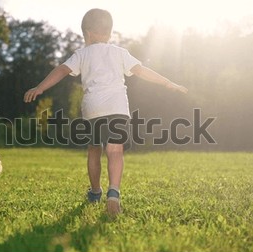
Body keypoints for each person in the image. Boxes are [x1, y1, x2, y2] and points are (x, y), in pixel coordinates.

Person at [24, 8, 188, 217]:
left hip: (93, 109)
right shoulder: (119, 52)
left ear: (88, 33)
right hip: (117, 108)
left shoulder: (82, 54)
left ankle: (95, 192)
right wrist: (167, 82)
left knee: (94, 150)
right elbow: (141, 71)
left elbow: (62, 70)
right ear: (109, 33)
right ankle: (113, 193)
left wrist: (40, 87)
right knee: (115, 150)